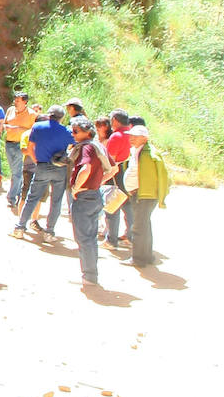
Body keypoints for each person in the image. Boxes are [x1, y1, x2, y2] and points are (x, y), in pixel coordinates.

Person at [14, 105, 73, 242]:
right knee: (56, 201)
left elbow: (30, 148)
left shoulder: (38, 127)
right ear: (62, 117)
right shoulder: (66, 131)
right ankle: (49, 232)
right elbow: (71, 146)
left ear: (49, 114)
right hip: (60, 168)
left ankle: (20, 228)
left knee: (32, 197)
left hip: (42, 166)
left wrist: (37, 162)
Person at [67, 116, 107, 289]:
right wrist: (97, 183)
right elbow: (112, 169)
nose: (73, 134)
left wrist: (76, 188)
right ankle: (91, 274)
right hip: (95, 195)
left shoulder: (86, 148)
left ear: (87, 132)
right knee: (90, 238)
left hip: (84, 198)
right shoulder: (98, 146)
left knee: (83, 239)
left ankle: (89, 276)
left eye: (76, 131)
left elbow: (86, 168)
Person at [126, 124, 170, 267]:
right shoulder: (137, 151)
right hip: (139, 194)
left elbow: (163, 177)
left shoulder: (149, 155)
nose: (131, 139)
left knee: (138, 227)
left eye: (135, 136)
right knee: (144, 226)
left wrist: (161, 196)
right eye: (131, 136)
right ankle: (147, 256)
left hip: (144, 195)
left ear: (144, 138)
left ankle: (138, 259)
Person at [102, 110, 134, 249]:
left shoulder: (117, 136)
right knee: (128, 206)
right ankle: (130, 237)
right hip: (129, 173)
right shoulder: (132, 134)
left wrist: (102, 177)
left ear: (115, 120)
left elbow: (110, 160)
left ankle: (111, 240)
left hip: (116, 173)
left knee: (112, 206)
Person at [1, 92, 38, 210]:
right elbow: (4, 123)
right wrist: (6, 127)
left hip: (21, 144)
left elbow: (34, 130)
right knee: (14, 171)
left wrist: (18, 129)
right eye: (15, 100)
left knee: (17, 172)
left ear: (25, 102)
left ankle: (11, 197)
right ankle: (19, 193)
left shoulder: (32, 114)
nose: (15, 102)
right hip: (9, 143)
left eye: (18, 100)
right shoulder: (10, 110)